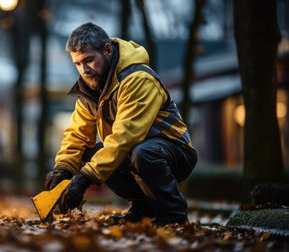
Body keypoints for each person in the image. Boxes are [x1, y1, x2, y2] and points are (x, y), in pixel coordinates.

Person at [45, 22, 198, 226]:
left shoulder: (138, 79)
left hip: (174, 152)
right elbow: (77, 137)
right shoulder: (90, 92)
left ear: (107, 50)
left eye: (89, 60)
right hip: (136, 152)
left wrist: (84, 178)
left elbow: (125, 137)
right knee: (90, 153)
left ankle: (174, 214)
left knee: (141, 153)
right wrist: (62, 170)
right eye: (78, 64)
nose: (84, 70)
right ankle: (142, 209)